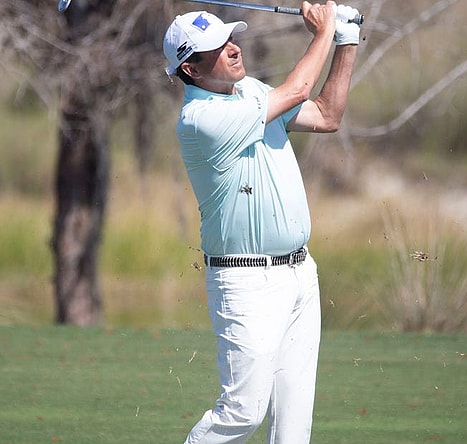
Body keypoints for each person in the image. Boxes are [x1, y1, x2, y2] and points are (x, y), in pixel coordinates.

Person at [162, 2, 359, 443]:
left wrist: (346, 39)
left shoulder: (249, 91)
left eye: (230, 38)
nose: (233, 48)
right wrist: (323, 31)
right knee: (241, 413)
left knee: (293, 425)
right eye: (217, 47)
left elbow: (327, 115)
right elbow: (296, 91)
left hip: (300, 276)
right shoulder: (201, 120)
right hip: (246, 284)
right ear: (191, 70)